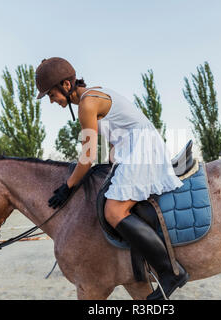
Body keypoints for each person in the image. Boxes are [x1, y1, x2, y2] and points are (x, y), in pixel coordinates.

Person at [35, 57, 189, 300]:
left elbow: (87, 157)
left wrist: (68, 185)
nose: (52, 101)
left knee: (114, 212)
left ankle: (170, 272)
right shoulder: (94, 95)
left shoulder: (87, 103)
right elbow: (113, 138)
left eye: (51, 94)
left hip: (142, 149)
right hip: (130, 150)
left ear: (65, 85)